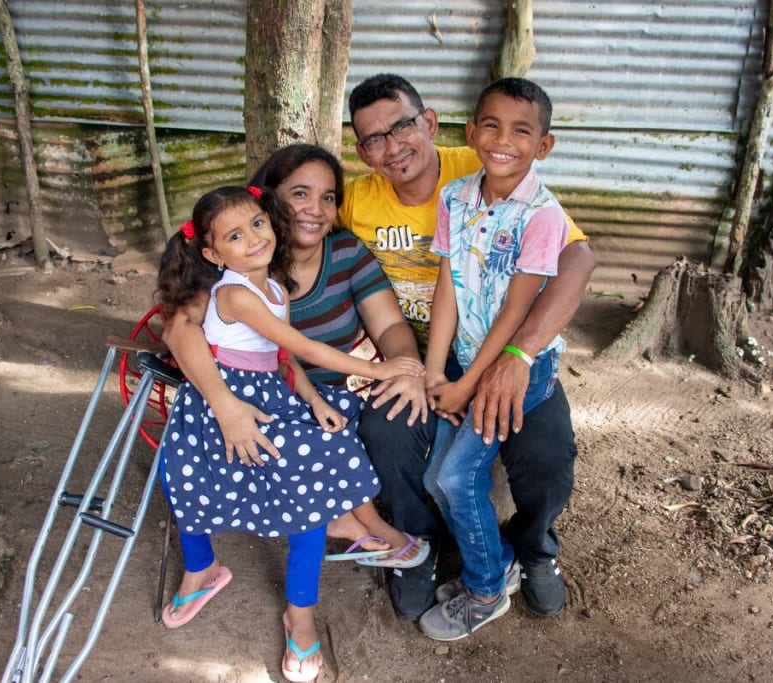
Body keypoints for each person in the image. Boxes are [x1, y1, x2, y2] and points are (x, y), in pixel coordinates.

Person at [338, 73, 596, 621]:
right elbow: (300, 237)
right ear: (361, 153)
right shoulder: (359, 200)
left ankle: (532, 548)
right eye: (373, 139)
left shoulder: (483, 165)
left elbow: (578, 259)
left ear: (429, 122)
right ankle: (418, 549)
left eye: (403, 126)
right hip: (421, 353)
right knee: (386, 430)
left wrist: (518, 356)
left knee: (546, 453)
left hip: (502, 348)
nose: (393, 146)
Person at [155, 185, 426, 682]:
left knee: (330, 438)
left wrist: (316, 399)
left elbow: (283, 357)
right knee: (187, 483)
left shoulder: (272, 288)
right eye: (235, 236)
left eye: (258, 223)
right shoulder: (235, 293)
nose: (255, 238)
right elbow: (301, 344)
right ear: (213, 254)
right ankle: (205, 568)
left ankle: (304, 602)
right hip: (223, 406)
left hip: (269, 393)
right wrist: (382, 371)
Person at [418, 77, 572, 640]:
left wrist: (464, 388)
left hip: (513, 370)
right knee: (437, 479)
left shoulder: (543, 215)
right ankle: (501, 562)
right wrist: (437, 370)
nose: (502, 140)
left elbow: (515, 311)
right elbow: (447, 290)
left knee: (458, 479)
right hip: (461, 359)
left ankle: (485, 591)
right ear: (471, 131)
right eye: (491, 125)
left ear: (544, 145)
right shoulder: (455, 197)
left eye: (521, 131)